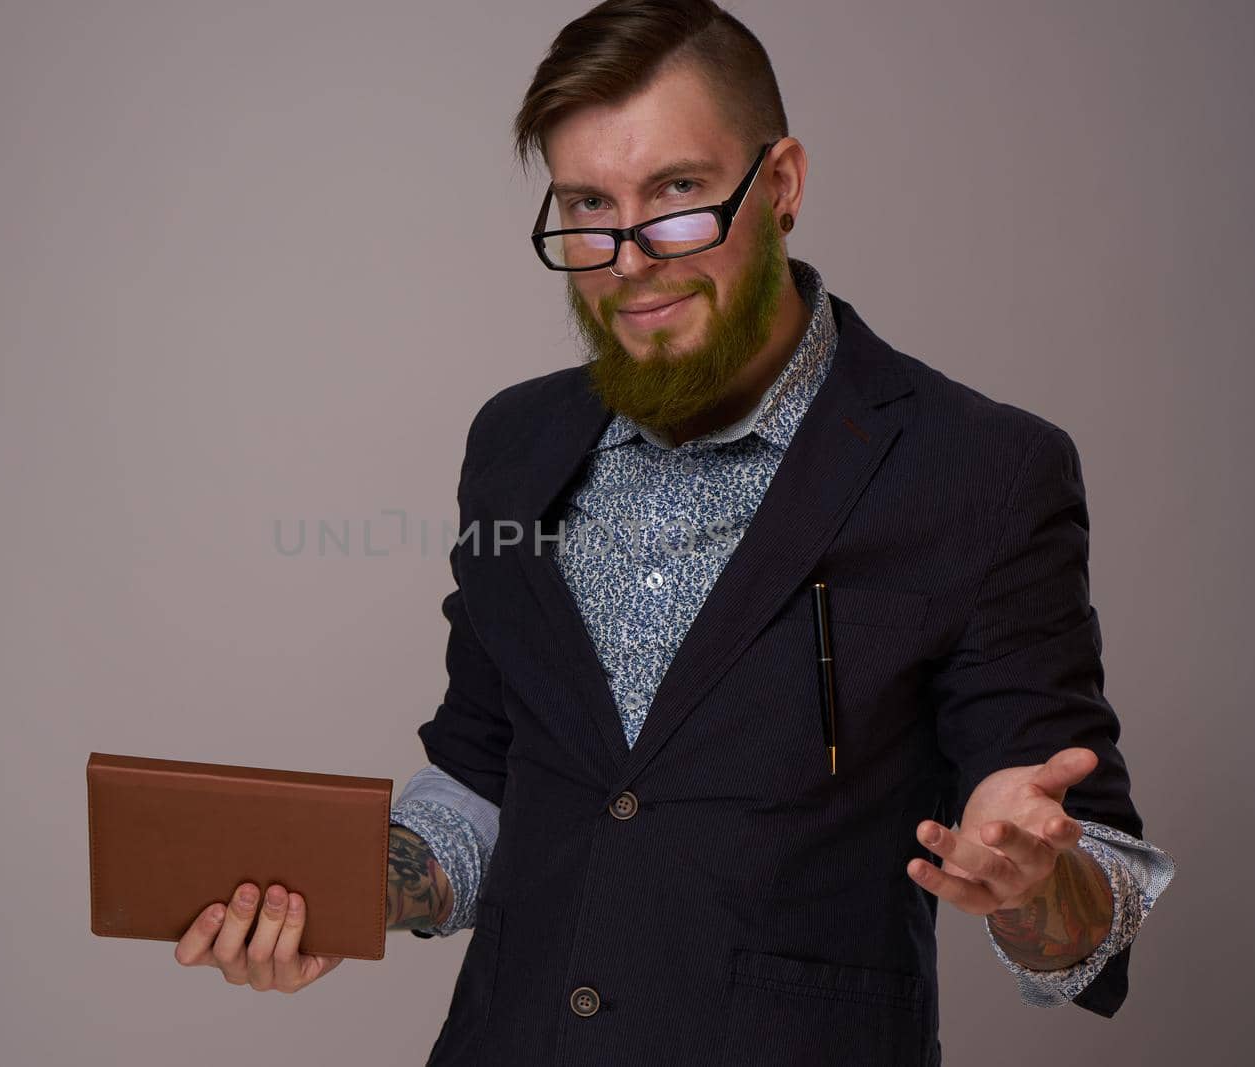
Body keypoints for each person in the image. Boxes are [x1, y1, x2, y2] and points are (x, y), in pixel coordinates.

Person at [172, 1, 1175, 1063]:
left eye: (679, 194)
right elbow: (483, 763)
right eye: (587, 207)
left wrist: (1034, 879)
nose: (629, 258)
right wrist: (336, 895)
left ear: (780, 183)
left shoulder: (981, 470)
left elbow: (1088, 886)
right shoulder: (514, 441)